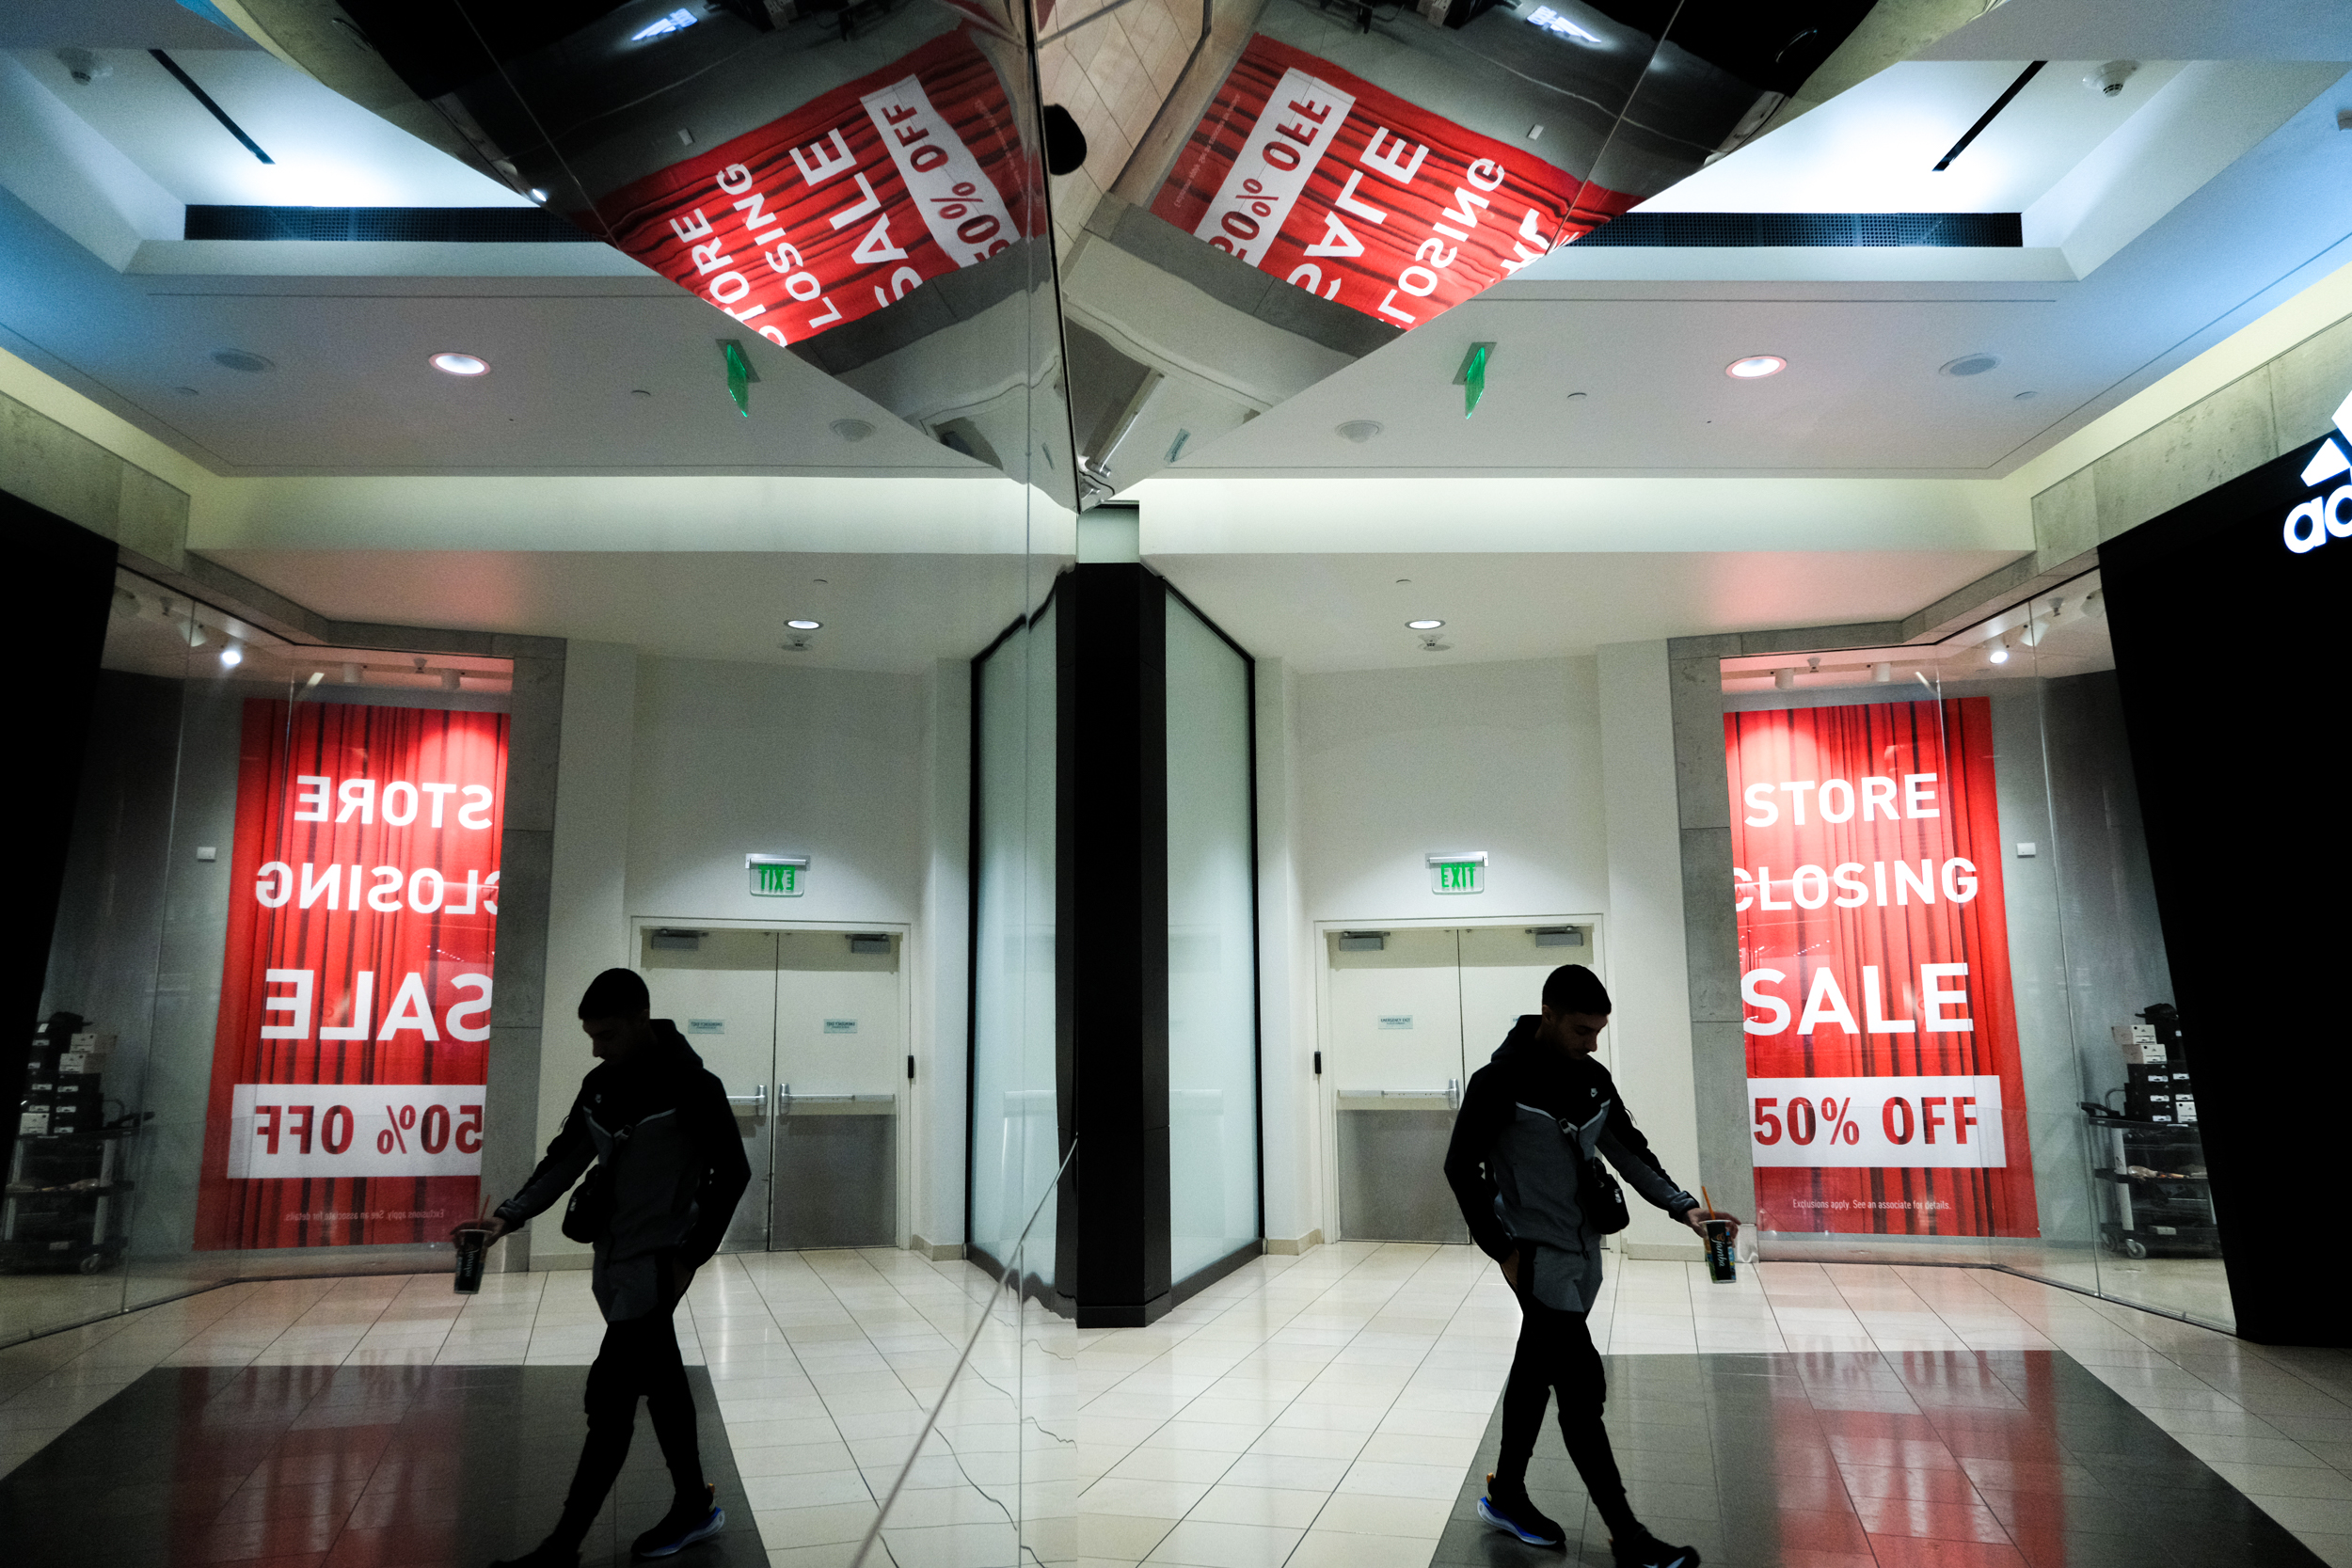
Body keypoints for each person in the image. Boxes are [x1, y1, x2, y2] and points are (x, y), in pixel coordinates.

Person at [1443, 963, 1739, 1568]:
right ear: (1547, 1013)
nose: (1592, 1042)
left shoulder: (1592, 1079)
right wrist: (1501, 1248)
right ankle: (1628, 1536)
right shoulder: (1498, 1083)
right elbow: (1460, 1167)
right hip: (1536, 1259)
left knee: (1534, 1373)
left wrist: (1687, 1211)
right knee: (1581, 1386)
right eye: (1582, 1030)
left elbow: (1629, 1150)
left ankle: (1506, 1495)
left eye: (1598, 1031)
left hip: (1583, 1258)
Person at [453, 968, 752, 1566]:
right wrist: (506, 1219)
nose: (597, 1047)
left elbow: (733, 1173)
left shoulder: (693, 1087)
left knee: (609, 1400)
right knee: (664, 1388)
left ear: (643, 1018)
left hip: (655, 1269)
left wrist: (689, 1258)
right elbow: (565, 1158)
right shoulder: (600, 1085)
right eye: (591, 1035)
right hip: (615, 1267)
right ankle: (695, 1506)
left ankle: (562, 1547)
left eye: (608, 1034)